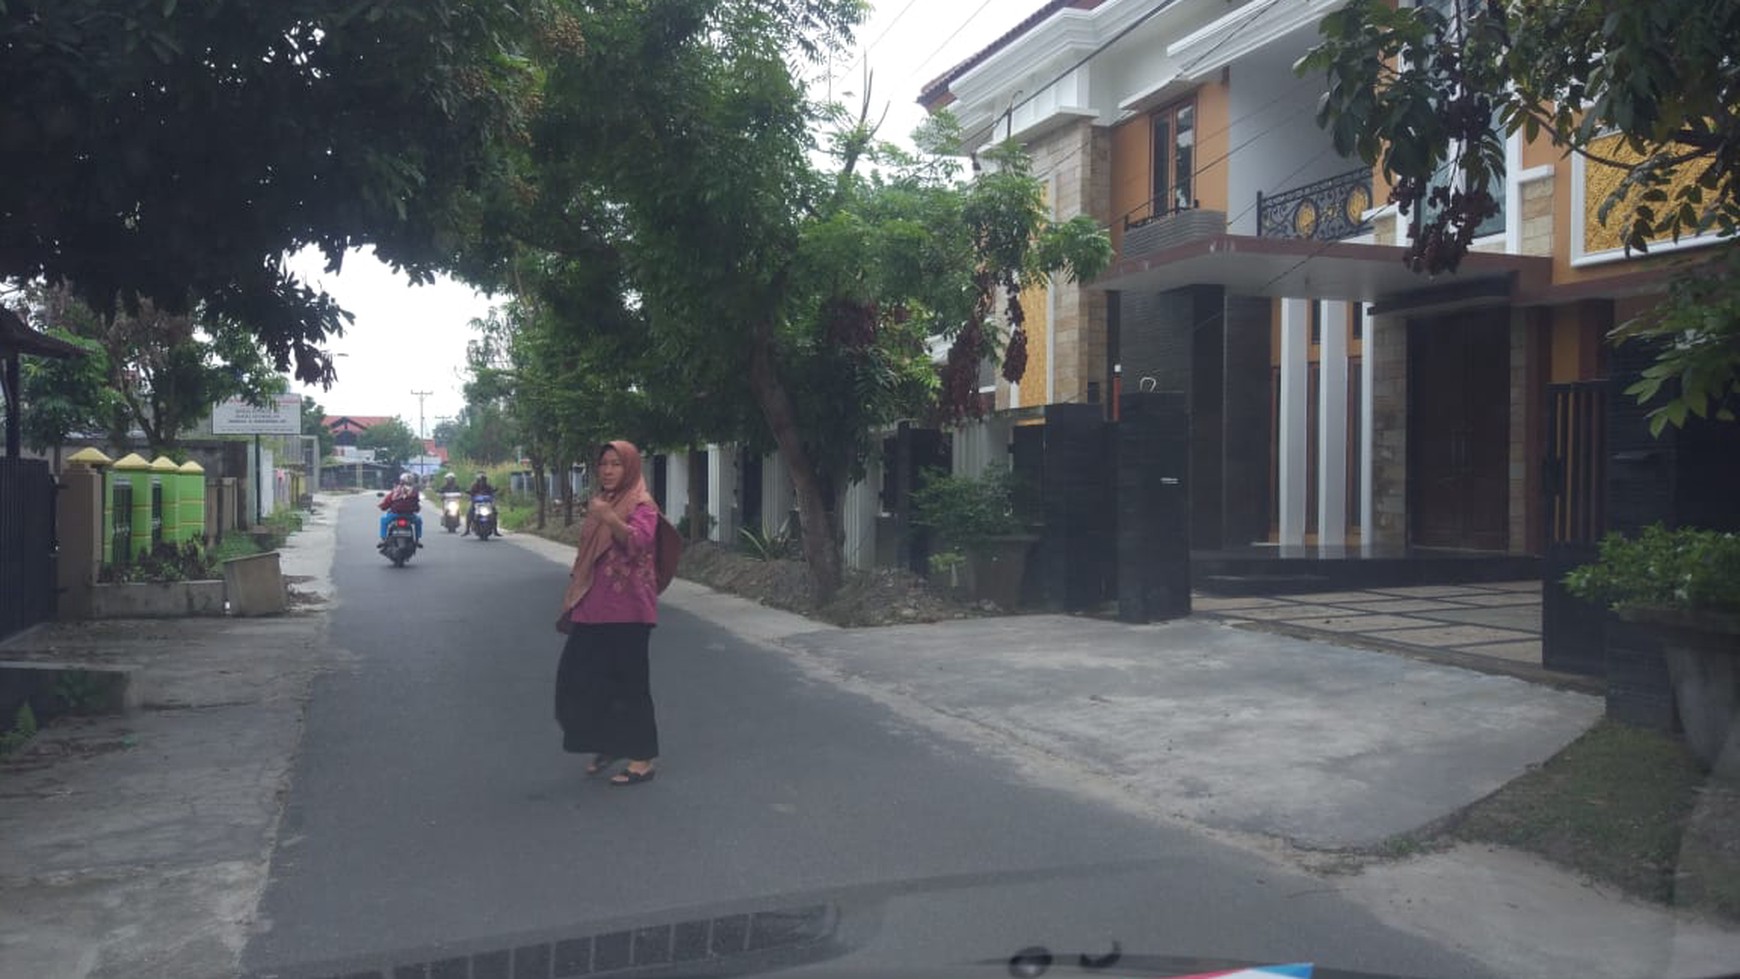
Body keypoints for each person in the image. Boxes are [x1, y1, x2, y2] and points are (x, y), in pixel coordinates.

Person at [554, 441, 662, 787]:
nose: (608, 470)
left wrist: (609, 518)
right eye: (604, 464)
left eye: (616, 464)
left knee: (631, 686)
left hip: (629, 611)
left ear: (629, 467)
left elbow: (638, 544)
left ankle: (642, 758)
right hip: (592, 607)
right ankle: (609, 742)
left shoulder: (642, 504)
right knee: (578, 681)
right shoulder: (603, 503)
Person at [378, 473, 424, 547]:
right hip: (409, 515)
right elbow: (416, 504)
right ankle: (417, 540)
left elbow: (388, 501)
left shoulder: (396, 490)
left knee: (383, 520)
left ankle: (383, 539)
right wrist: (416, 509)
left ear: (401, 481)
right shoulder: (414, 491)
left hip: (395, 514)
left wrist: (383, 507)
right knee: (418, 521)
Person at [463, 471, 497, 536]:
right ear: (478, 480)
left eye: (484, 480)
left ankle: (495, 530)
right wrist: (470, 493)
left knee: (494, 512)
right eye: (481, 480)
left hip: (487, 504)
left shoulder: (488, 486)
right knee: (470, 513)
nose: (482, 482)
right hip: (477, 504)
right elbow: (470, 492)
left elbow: (492, 492)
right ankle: (467, 529)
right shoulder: (474, 486)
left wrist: (493, 493)